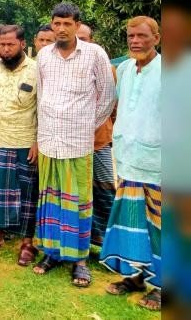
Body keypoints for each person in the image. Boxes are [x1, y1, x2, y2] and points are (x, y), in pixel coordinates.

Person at [33, 2, 115, 287]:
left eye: (67, 23)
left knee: (79, 201)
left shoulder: (95, 54)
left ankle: (80, 260)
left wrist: (86, 126)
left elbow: (107, 97)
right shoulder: (44, 55)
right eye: (57, 23)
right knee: (51, 199)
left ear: (77, 25)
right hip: (49, 141)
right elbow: (41, 95)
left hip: (78, 143)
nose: (61, 28)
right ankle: (51, 252)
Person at [100, 16, 162, 311]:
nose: (135, 41)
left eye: (141, 36)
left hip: (160, 163)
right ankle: (136, 277)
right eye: (130, 36)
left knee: (162, 228)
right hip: (127, 160)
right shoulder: (124, 69)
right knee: (132, 222)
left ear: (157, 39)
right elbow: (115, 106)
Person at [0, 25, 39, 265]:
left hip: (25, 140)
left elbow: (42, 107)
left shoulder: (36, 70)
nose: (5, 49)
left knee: (27, 193)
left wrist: (37, 141)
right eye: (2, 45)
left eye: (10, 44)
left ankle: (27, 243)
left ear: (22, 44)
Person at [76, 23, 117, 247]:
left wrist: (105, 127)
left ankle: (107, 242)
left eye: (84, 39)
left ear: (92, 41)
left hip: (99, 141)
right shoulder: (62, 67)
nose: (79, 43)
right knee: (77, 192)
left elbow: (114, 105)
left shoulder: (107, 69)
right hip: (71, 144)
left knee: (104, 189)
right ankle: (81, 239)